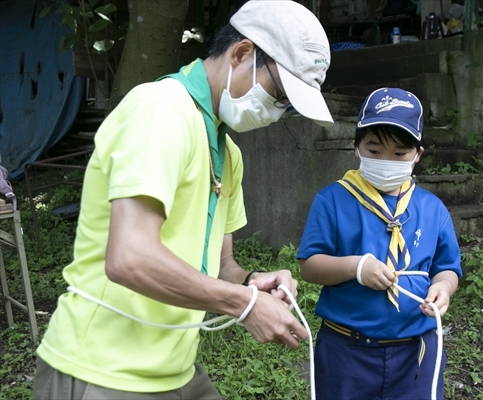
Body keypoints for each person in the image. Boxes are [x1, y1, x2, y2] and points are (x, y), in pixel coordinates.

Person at [32, 1, 333, 399]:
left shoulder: (227, 152)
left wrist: (249, 283)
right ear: (242, 53)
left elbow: (220, 264)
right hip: (101, 370)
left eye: (288, 106)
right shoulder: (160, 111)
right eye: (279, 93)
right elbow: (130, 258)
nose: (278, 111)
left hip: (175, 370)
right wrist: (243, 304)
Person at [297, 87, 462, 399]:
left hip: (416, 353)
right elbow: (310, 266)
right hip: (346, 350)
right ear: (356, 147)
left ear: (418, 155)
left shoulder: (432, 208)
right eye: (374, 151)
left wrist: (444, 288)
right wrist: (356, 267)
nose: (387, 161)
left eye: (400, 154)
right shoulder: (333, 200)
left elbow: (446, 268)